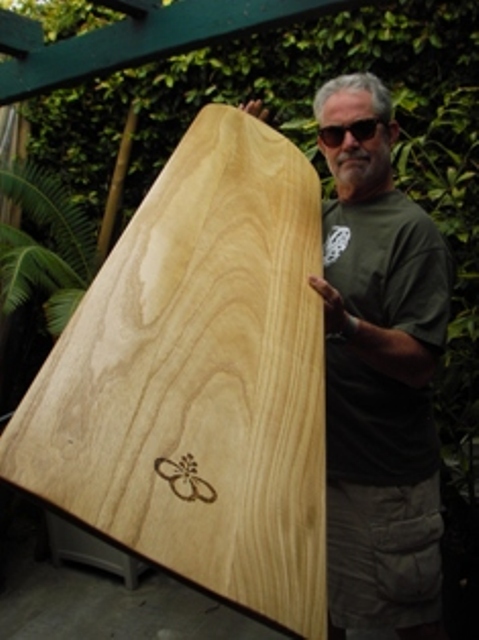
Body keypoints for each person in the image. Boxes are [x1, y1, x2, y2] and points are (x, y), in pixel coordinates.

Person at [242, 73, 453, 640]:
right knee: (326, 620)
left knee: (402, 625)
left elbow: (419, 364)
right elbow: (247, 232)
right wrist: (240, 155)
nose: (349, 143)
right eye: (334, 134)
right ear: (320, 144)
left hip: (382, 484)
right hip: (314, 472)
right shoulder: (317, 219)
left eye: (363, 128)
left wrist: (347, 326)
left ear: (391, 134)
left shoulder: (413, 232)